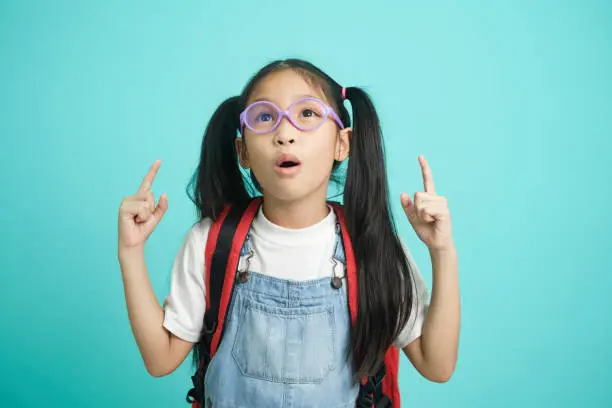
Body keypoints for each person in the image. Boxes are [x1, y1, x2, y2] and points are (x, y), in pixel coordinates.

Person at [118, 59, 460, 407]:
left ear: (343, 143)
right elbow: (161, 359)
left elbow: (437, 364)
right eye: (264, 117)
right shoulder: (211, 243)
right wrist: (130, 252)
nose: (285, 133)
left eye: (308, 113)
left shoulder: (373, 247)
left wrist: (442, 251)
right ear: (243, 151)